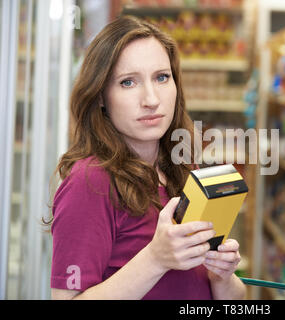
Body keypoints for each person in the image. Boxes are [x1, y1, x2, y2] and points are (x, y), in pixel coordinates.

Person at [48, 15, 246, 300]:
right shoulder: (89, 182)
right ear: (101, 96)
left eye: (161, 77)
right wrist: (155, 259)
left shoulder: (182, 167)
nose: (151, 99)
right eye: (128, 82)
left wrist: (221, 277)